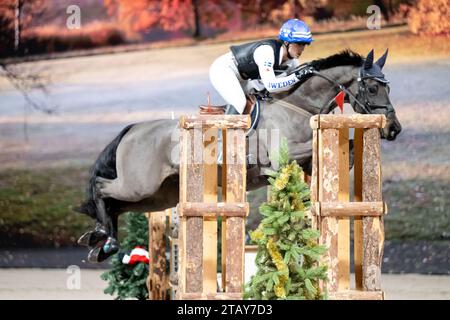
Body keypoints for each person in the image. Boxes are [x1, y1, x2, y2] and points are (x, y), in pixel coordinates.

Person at [209, 18, 314, 115]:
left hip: (244, 77)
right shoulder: (267, 52)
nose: (302, 49)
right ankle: (225, 135)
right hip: (223, 70)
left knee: (259, 104)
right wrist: (297, 76)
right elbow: (271, 85)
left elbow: (294, 86)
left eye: (305, 44)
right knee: (242, 104)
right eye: (299, 44)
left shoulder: (293, 62)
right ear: (286, 42)